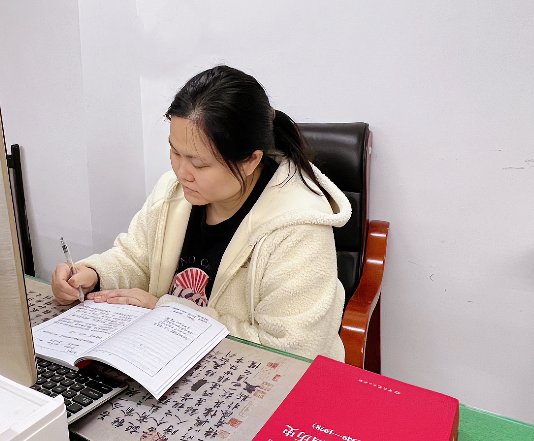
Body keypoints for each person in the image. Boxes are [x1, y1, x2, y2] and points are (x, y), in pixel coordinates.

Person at [52, 65, 351, 360]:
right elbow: (136, 260)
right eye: (174, 152)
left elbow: (290, 351)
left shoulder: (297, 228)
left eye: (199, 163)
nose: (181, 172)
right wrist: (94, 274)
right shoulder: (172, 192)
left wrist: (166, 313)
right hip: (167, 359)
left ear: (251, 160)